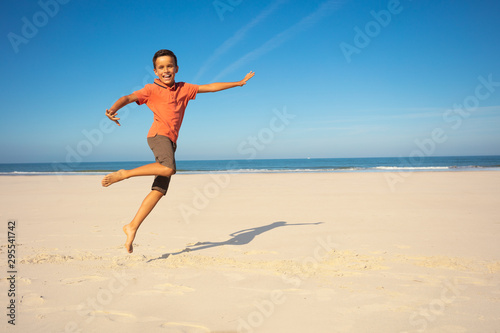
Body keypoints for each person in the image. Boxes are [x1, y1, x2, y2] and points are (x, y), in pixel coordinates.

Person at [101, 49, 255, 253]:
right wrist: (113, 110)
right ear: (155, 71)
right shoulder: (150, 89)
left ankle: (131, 227)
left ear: (176, 68)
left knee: (159, 190)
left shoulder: (184, 88)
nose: (166, 70)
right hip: (158, 136)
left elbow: (209, 87)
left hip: (171, 142)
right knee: (168, 168)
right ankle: (125, 174)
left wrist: (238, 83)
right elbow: (127, 97)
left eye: (169, 66)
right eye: (161, 67)